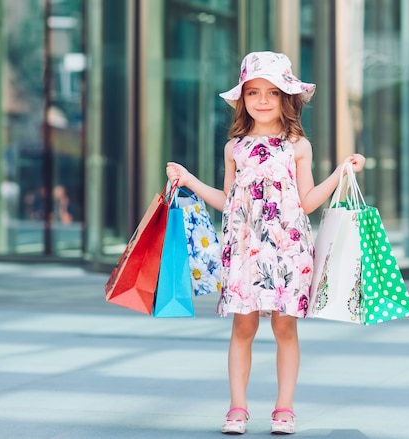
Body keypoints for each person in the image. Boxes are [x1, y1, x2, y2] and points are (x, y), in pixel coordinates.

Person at [166, 51, 365, 435]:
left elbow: (306, 202)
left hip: (288, 251)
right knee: (242, 328)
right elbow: (228, 202)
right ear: (242, 98)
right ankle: (237, 408)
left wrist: (341, 172)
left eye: (271, 93)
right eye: (253, 92)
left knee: (285, 328)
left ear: (285, 98)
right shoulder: (234, 147)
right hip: (244, 250)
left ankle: (284, 409)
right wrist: (190, 180)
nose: (261, 100)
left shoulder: (297, 145)